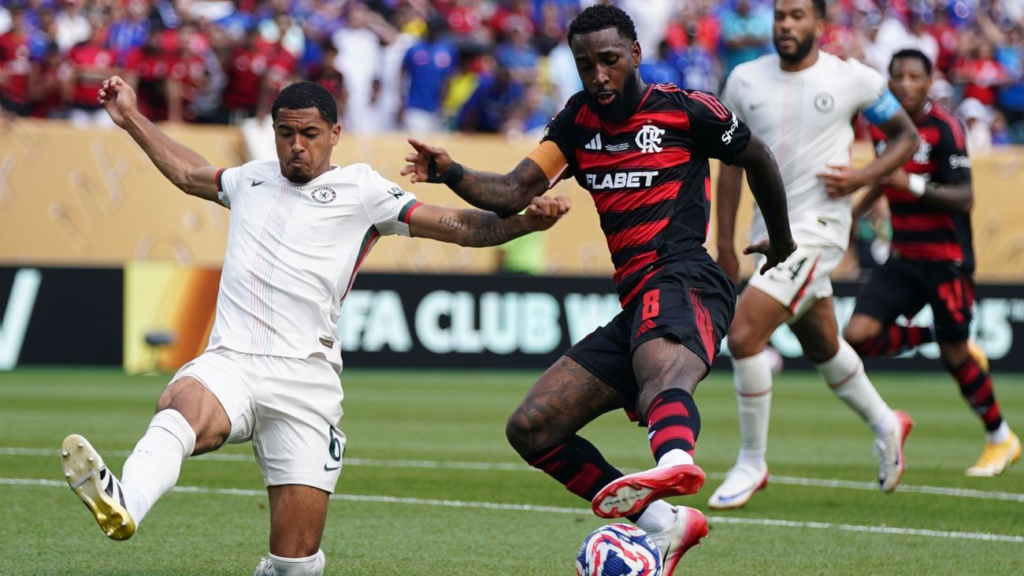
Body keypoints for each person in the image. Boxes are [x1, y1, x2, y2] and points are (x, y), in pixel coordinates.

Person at [59, 78, 570, 576]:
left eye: (309, 134)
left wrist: (524, 222)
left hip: (306, 381)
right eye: (286, 134)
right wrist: (130, 117)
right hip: (232, 361)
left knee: (295, 562)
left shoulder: (364, 190)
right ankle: (127, 499)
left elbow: (458, 227)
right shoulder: (250, 179)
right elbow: (188, 171)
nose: (296, 146)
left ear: (335, 134)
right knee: (182, 404)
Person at [401, 5, 795, 573]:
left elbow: (756, 156)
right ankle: (664, 522)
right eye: (585, 65)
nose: (599, 75)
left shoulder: (687, 110)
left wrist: (780, 239)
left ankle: (674, 461)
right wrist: (452, 173)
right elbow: (513, 191)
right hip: (637, 301)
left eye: (609, 60)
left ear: (635, 54)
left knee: (661, 365)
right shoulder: (577, 123)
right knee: (533, 427)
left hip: (688, 276)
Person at [710, 0, 921, 511]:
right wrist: (724, 245)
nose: (786, 24)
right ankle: (886, 422)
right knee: (823, 345)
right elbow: (730, 167)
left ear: (819, 25)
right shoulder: (743, 81)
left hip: (820, 232)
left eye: (798, 15)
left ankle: (752, 461)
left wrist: (863, 176)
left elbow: (906, 137)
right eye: (780, 15)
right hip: (767, 237)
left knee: (744, 334)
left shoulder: (852, 80)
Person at [845, 49, 1020, 478]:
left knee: (955, 357)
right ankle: (935, 336)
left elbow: (965, 197)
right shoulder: (882, 126)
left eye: (914, 77)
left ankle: (1001, 438)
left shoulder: (945, 128)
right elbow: (885, 176)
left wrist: (914, 184)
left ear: (930, 82)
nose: (905, 84)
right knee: (856, 337)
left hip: (947, 261)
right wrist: (854, 212)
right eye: (898, 76)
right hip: (904, 257)